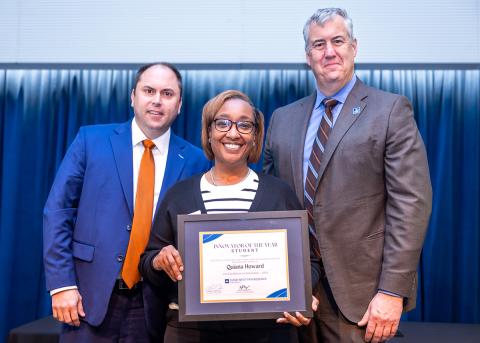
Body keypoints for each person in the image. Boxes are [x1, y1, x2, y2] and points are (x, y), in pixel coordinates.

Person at [263, 8, 432, 343]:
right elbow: (270, 206)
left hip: (363, 299)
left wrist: (391, 291)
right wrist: (279, 283)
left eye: (337, 41)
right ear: (307, 56)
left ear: (354, 47)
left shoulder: (390, 110)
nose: (329, 51)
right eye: (319, 44)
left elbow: (411, 205)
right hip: (294, 296)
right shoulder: (282, 118)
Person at [43, 62, 210, 342]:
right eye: (149, 90)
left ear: (179, 105)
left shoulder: (195, 160)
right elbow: (58, 213)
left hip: (154, 304)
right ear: (133, 96)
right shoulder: (91, 140)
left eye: (168, 94)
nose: (157, 100)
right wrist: (61, 285)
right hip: (87, 297)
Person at [139, 90, 320, 343]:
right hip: (191, 333)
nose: (233, 133)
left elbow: (309, 263)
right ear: (209, 132)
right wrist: (159, 261)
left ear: (255, 137)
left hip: (267, 332)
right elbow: (147, 263)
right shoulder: (179, 195)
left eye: (245, 125)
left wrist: (301, 293)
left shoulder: (280, 194)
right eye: (222, 123)